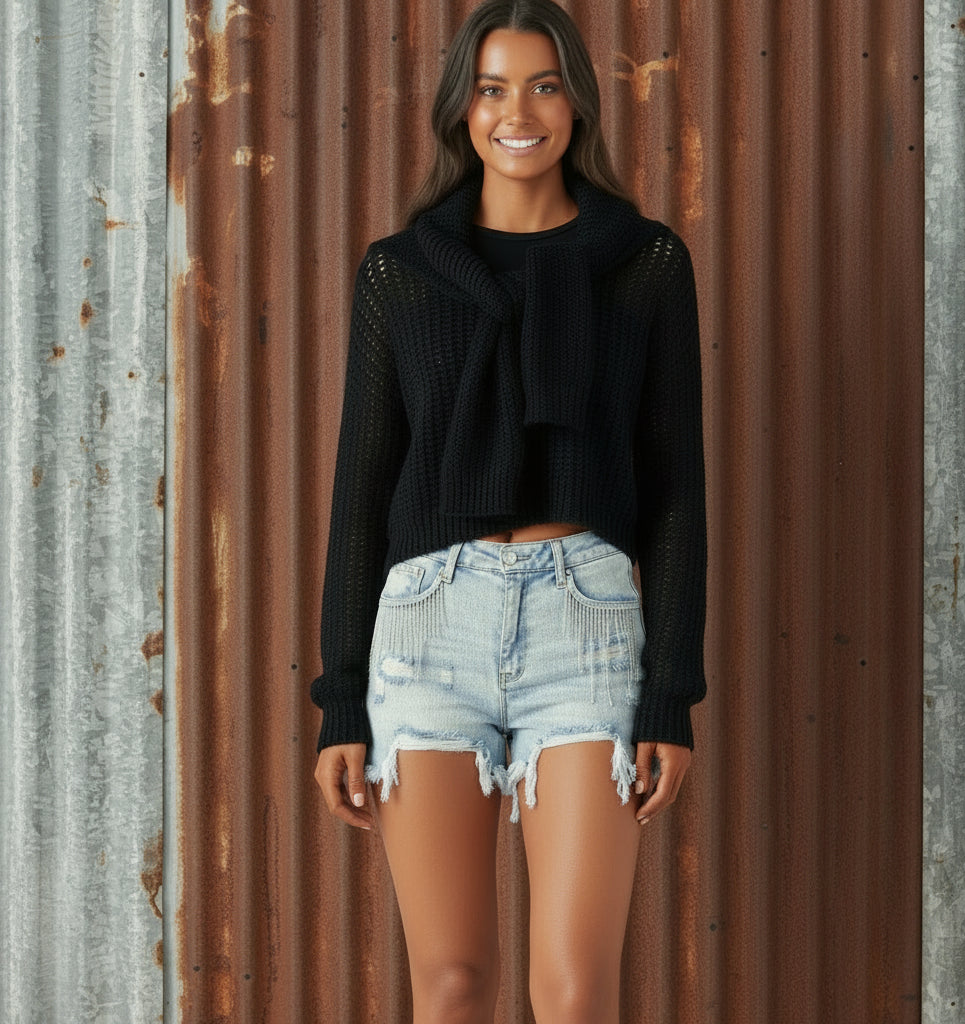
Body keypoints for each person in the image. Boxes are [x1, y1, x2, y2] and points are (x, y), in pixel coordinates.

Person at [311, 1, 706, 1021]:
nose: (516, 111)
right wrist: (340, 700)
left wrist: (671, 696)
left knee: (573, 991)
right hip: (426, 628)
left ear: (576, 102)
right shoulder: (398, 275)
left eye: (540, 84)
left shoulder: (646, 264)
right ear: (461, 109)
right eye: (491, 88)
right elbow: (362, 493)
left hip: (587, 624)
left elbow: (674, 488)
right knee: (451, 983)